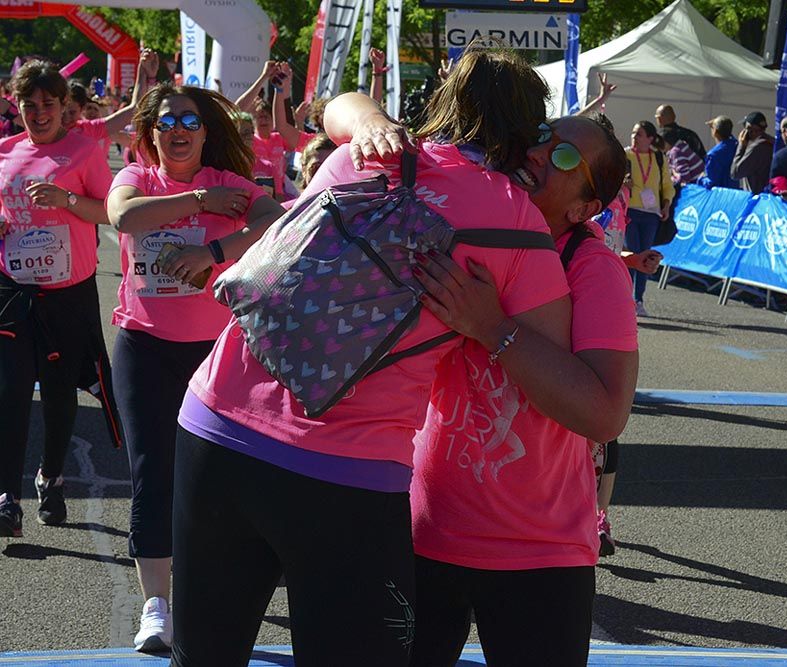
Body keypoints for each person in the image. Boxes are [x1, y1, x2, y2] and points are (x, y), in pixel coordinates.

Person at [168, 47, 572, 667]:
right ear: (526, 134)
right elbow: (554, 358)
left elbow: (336, 108)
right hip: (347, 469)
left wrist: (369, 117)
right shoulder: (516, 221)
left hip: (216, 422)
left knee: (202, 656)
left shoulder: (363, 152)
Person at [330, 94, 637, 666]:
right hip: (422, 529)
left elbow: (605, 413)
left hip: (538, 550)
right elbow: (338, 109)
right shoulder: (467, 214)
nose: (540, 151)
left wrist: (493, 327)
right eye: (542, 135)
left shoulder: (592, 268)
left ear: (585, 207)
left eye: (565, 156)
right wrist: (370, 120)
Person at [105, 83, 285, 652]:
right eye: (166, 122)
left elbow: (276, 221)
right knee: (151, 471)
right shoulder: (138, 178)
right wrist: (200, 202)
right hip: (143, 347)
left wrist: (213, 252)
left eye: (189, 121)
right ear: (150, 133)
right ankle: (156, 607)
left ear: (206, 132)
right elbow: (123, 216)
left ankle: (209, 594)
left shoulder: (233, 183)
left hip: (217, 353)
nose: (178, 131)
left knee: (219, 479)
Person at [0, 61, 115, 537]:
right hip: (14, 290)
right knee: (9, 392)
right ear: (16, 106)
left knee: (58, 396)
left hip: (69, 293)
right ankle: (7, 498)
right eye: (29, 105)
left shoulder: (84, 152)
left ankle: (50, 477)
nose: (39, 113)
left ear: (65, 106)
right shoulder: (5, 151)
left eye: (48, 104)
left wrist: (66, 200)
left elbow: (110, 212)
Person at [625, 120, 673, 317]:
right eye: (633, 133)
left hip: (651, 214)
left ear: (650, 139)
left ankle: (638, 299)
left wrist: (666, 204)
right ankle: (625, 298)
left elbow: (667, 185)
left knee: (646, 257)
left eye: (639, 134)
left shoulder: (658, 158)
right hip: (630, 211)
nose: (634, 137)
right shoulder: (625, 155)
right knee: (632, 254)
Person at [730, 111, 774, 194]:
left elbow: (735, 173)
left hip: (756, 197)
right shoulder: (772, 142)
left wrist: (741, 146)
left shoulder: (756, 148)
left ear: (750, 130)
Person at [697, 116, 738, 190]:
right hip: (734, 192)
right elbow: (732, 138)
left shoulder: (713, 155)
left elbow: (711, 182)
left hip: (720, 193)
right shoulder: (736, 146)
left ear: (715, 132)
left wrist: (701, 179)